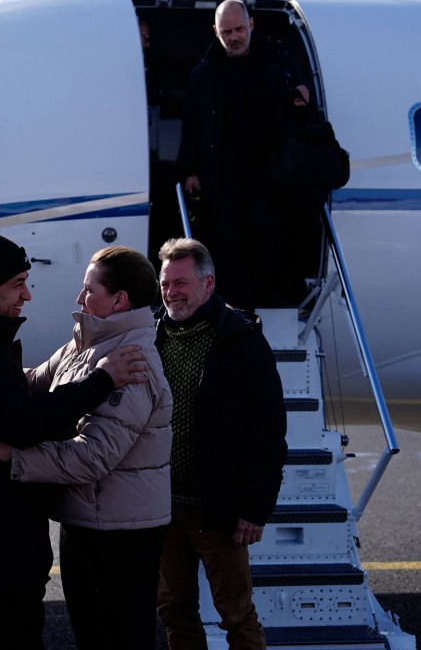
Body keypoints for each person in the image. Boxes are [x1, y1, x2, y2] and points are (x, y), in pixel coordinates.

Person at [0, 232, 148, 650]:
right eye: (17, 284)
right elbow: (25, 423)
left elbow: (25, 391)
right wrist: (101, 379)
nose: (27, 294)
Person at [154, 238, 288, 650]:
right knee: (174, 610)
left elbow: (268, 433)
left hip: (219, 512)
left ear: (208, 285)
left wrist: (254, 511)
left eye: (181, 283)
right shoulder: (152, 335)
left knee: (236, 614)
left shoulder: (241, 339)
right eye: (165, 283)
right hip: (162, 508)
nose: (171, 292)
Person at [178, 0, 315, 310]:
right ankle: (241, 310)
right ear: (215, 31)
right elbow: (192, 128)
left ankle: (269, 296)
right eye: (227, 31)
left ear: (251, 25)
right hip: (223, 178)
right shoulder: (203, 76)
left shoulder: (277, 65)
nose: (234, 36)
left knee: (269, 236)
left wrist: (301, 99)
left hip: (271, 174)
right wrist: (189, 171)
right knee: (229, 244)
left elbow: (305, 108)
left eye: (239, 29)